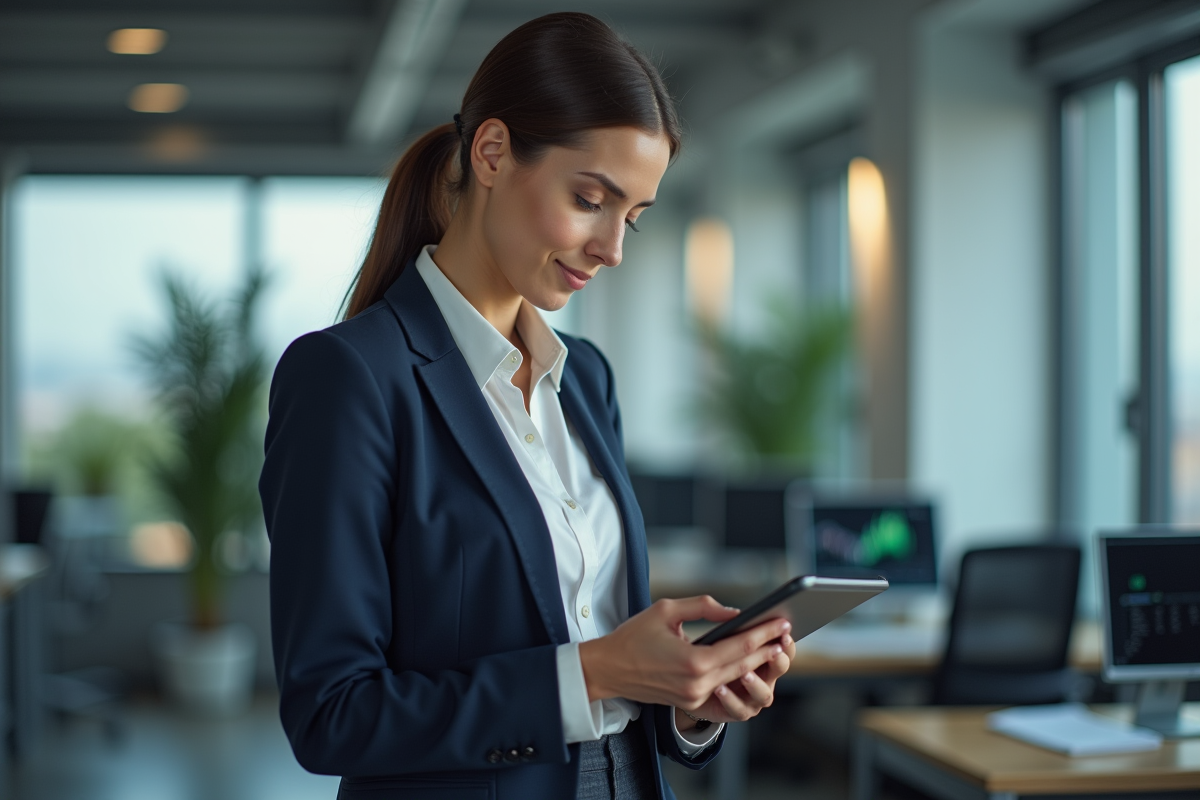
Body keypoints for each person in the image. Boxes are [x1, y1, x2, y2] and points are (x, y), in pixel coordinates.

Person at [259, 12, 796, 800]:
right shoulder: (349, 378)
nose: (612, 247)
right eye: (590, 200)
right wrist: (590, 673)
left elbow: (599, 654)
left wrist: (688, 699)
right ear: (493, 152)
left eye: (633, 219)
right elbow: (332, 715)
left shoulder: (586, 381)